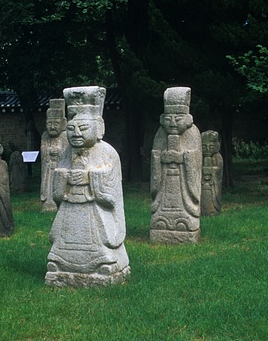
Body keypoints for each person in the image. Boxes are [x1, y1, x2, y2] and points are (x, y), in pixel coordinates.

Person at [46, 86, 130, 287]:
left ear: (99, 128)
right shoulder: (67, 153)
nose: (76, 134)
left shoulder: (107, 152)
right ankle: (62, 261)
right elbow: (57, 187)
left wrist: (88, 177)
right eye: (71, 129)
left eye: (83, 128)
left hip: (94, 209)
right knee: (63, 239)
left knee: (99, 242)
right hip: (71, 207)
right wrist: (64, 177)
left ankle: (103, 260)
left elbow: (111, 193)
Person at [150, 87, 202, 244]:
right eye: (168, 118)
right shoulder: (160, 133)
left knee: (185, 220)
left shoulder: (193, 133)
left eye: (178, 119)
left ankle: (186, 220)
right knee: (160, 220)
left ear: (187, 119)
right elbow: (155, 156)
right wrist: (161, 157)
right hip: (165, 183)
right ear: (162, 118)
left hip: (183, 185)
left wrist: (183, 157)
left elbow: (196, 158)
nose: (172, 123)